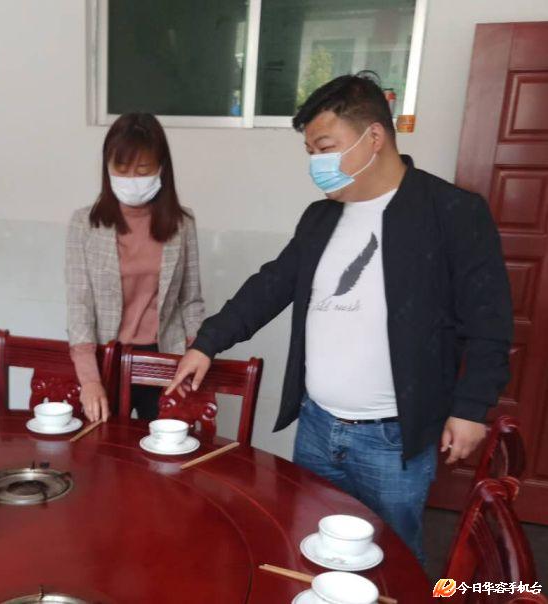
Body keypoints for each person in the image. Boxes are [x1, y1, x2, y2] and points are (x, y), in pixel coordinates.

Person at [166, 74, 512, 563]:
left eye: (325, 148)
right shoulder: (321, 217)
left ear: (374, 136)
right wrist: (208, 342)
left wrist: (471, 407)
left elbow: (489, 321)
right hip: (317, 426)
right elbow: (271, 285)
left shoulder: (451, 212)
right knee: (315, 551)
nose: (317, 164)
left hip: (392, 438)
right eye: (310, 152)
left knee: (391, 561)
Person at [66, 113, 204, 423]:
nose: (132, 179)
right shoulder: (84, 224)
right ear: (107, 168)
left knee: (164, 446)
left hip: (164, 359)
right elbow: (79, 305)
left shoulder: (182, 224)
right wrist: (89, 380)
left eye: (143, 170)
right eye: (121, 169)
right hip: (107, 358)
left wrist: (196, 353)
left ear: (161, 168)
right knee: (103, 445)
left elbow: (191, 301)